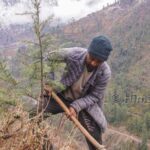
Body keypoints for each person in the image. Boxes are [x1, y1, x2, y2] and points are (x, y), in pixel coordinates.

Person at [42, 35, 113, 150]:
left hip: (84, 105)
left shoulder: (105, 73)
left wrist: (76, 107)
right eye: (92, 58)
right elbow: (49, 57)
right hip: (61, 95)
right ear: (88, 52)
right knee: (33, 115)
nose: (94, 63)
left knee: (95, 137)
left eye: (98, 61)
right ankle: (47, 147)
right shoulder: (74, 54)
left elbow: (95, 96)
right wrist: (50, 81)